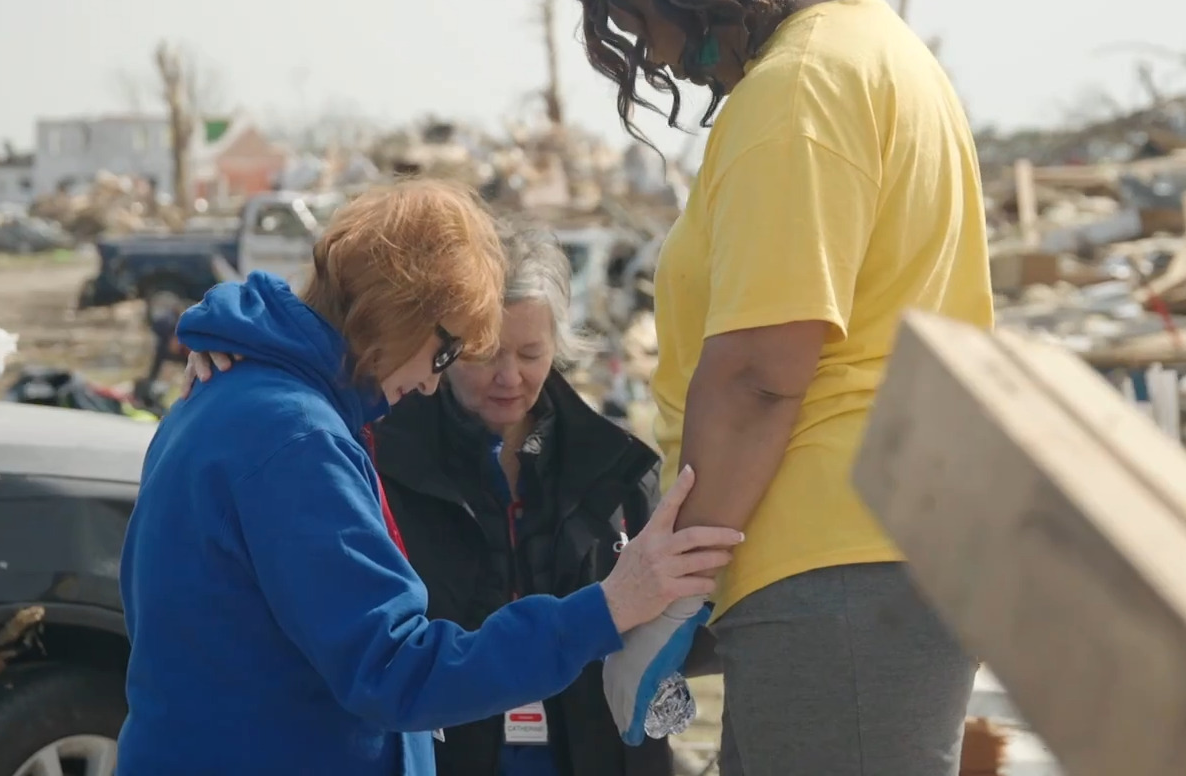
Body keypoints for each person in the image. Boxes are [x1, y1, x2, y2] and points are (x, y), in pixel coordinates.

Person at [559, 0, 994, 775]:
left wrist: (671, 589)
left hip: (838, 561)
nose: (657, 54)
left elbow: (761, 372)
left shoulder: (798, 90)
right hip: (885, 552)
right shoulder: (877, 51)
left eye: (640, 17)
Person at [116, 179, 745, 775]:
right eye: (450, 352)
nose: (434, 380)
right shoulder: (297, 441)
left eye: (528, 354)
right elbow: (398, 670)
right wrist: (607, 607)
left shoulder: (239, 395)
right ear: (401, 312)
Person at [372, 225, 680, 776]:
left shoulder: (619, 472)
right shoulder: (380, 464)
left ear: (559, 346)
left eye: (531, 353)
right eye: (485, 353)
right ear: (442, 349)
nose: (509, 377)